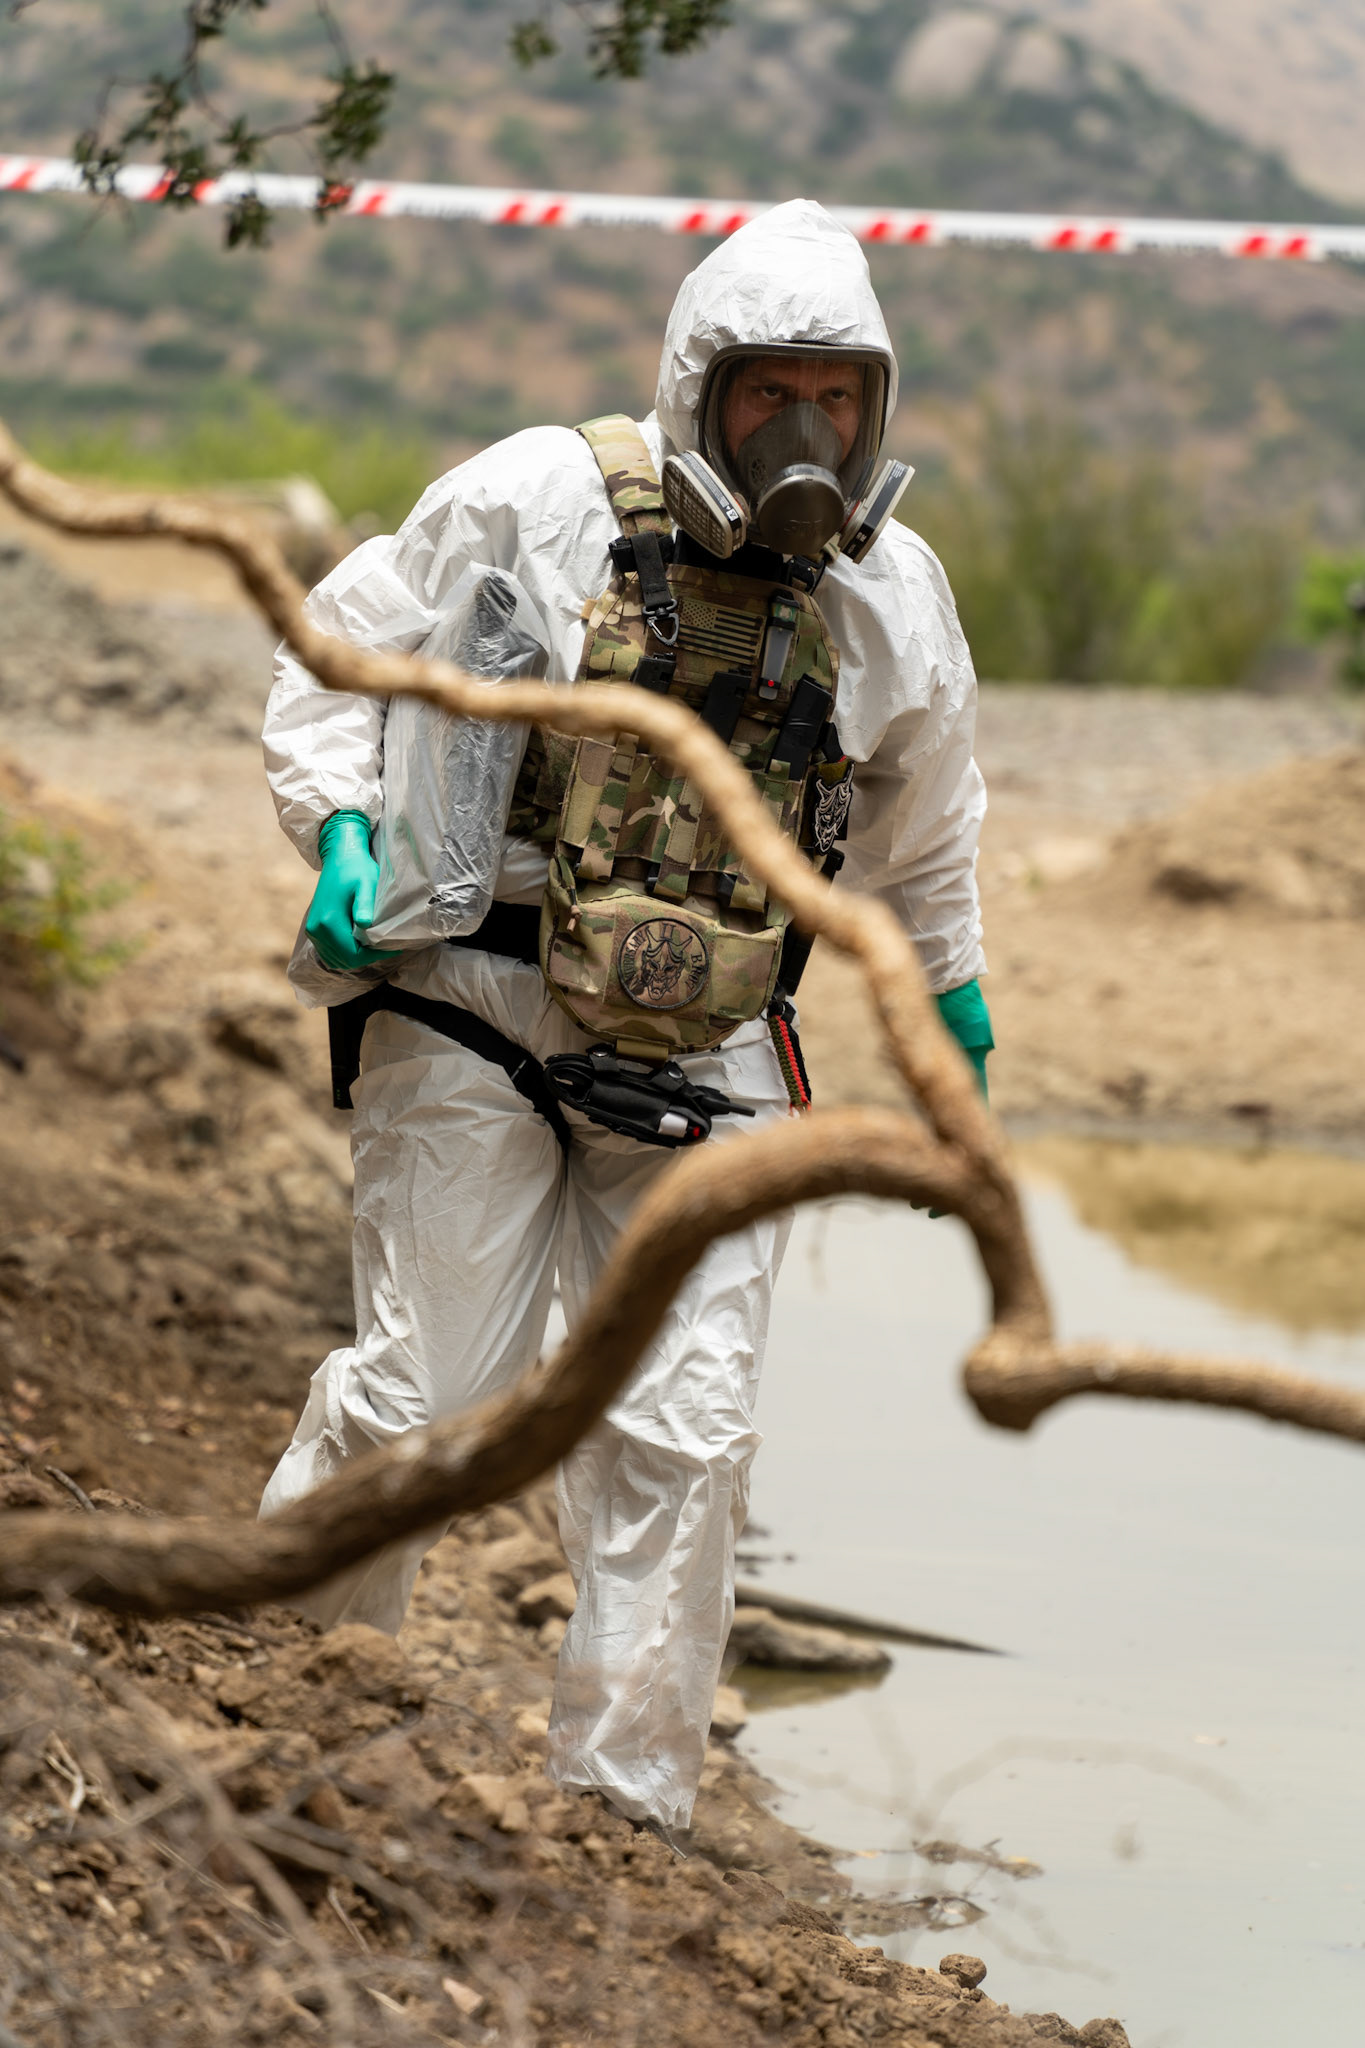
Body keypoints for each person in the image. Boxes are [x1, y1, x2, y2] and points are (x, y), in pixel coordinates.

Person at [259, 198, 992, 1839]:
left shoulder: (889, 595)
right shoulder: (533, 498)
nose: (803, 433)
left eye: (835, 399)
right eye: (767, 394)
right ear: (697, 386)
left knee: (686, 1428)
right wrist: (342, 827)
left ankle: (621, 1816)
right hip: (478, 997)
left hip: (714, 1046)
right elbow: (334, 652)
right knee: (428, 1401)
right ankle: (291, 1695)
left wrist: (952, 997)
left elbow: (929, 825)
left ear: (874, 408)